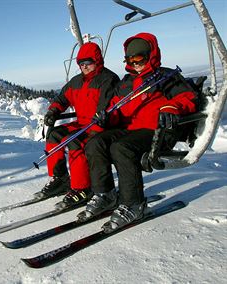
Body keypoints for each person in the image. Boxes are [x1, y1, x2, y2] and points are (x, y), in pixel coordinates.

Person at [81, 32, 197, 230]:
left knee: (121, 148)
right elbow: (116, 109)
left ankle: (134, 204)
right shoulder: (126, 82)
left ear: (150, 55)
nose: (134, 63)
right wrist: (108, 117)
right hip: (130, 130)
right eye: (129, 58)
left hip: (158, 132)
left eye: (139, 57)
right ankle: (105, 194)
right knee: (95, 143)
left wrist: (172, 107)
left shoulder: (166, 77)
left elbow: (188, 98)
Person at [35, 42, 120, 209]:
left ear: (97, 60)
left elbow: (106, 107)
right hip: (82, 123)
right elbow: (62, 99)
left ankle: (83, 188)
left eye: (88, 63)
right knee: (54, 135)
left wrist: (98, 123)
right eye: (81, 64)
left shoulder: (107, 79)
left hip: (100, 125)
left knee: (75, 141)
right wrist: (53, 112)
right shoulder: (76, 81)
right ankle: (61, 178)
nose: (85, 67)